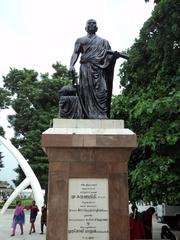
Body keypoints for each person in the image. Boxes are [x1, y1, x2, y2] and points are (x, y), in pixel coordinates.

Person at [69, 19, 123, 119]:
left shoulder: (104, 42)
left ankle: (101, 114)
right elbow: (75, 53)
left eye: (94, 23)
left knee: (102, 91)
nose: (92, 25)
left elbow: (109, 57)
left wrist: (114, 56)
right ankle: (88, 114)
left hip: (99, 69)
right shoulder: (80, 40)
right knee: (86, 90)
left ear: (97, 28)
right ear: (85, 28)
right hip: (86, 68)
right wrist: (71, 65)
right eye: (89, 23)